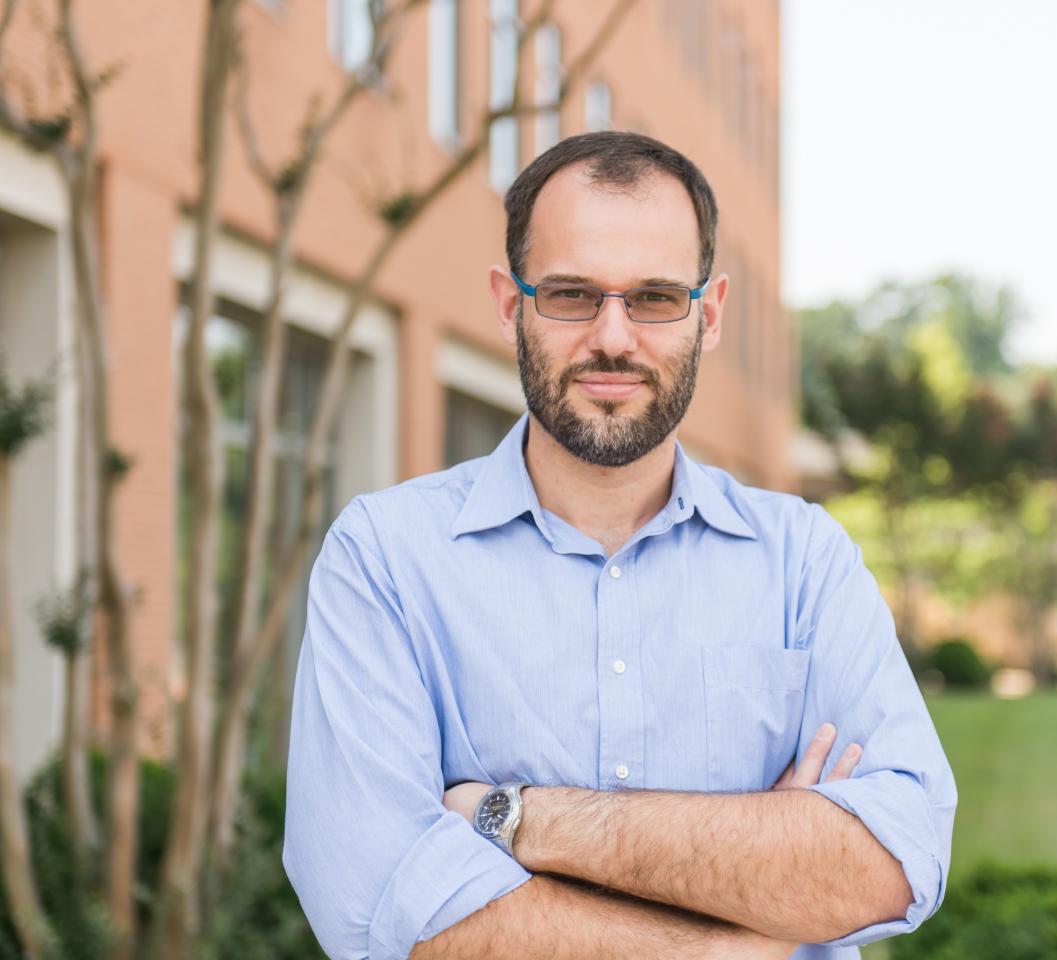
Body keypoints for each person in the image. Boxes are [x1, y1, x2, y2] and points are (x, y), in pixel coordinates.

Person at [282, 131, 956, 960]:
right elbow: (381, 900)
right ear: (508, 305)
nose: (612, 337)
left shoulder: (804, 563)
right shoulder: (385, 557)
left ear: (707, 316)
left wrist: (520, 817)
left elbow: (894, 860)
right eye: (570, 294)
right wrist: (735, 939)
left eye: (654, 298)